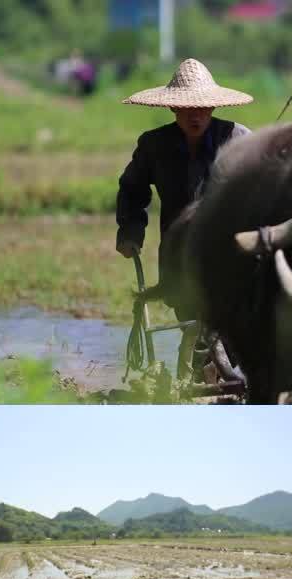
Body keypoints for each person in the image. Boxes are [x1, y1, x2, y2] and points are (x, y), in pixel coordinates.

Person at [115, 59, 253, 382]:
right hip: (178, 254)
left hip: (227, 254)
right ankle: (199, 380)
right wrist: (130, 232)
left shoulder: (238, 139)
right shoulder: (154, 145)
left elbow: (265, 188)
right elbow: (133, 188)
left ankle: (210, 381)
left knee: (219, 324)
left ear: (213, 107)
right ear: (173, 107)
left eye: (203, 107)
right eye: (188, 106)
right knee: (191, 319)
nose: (195, 114)